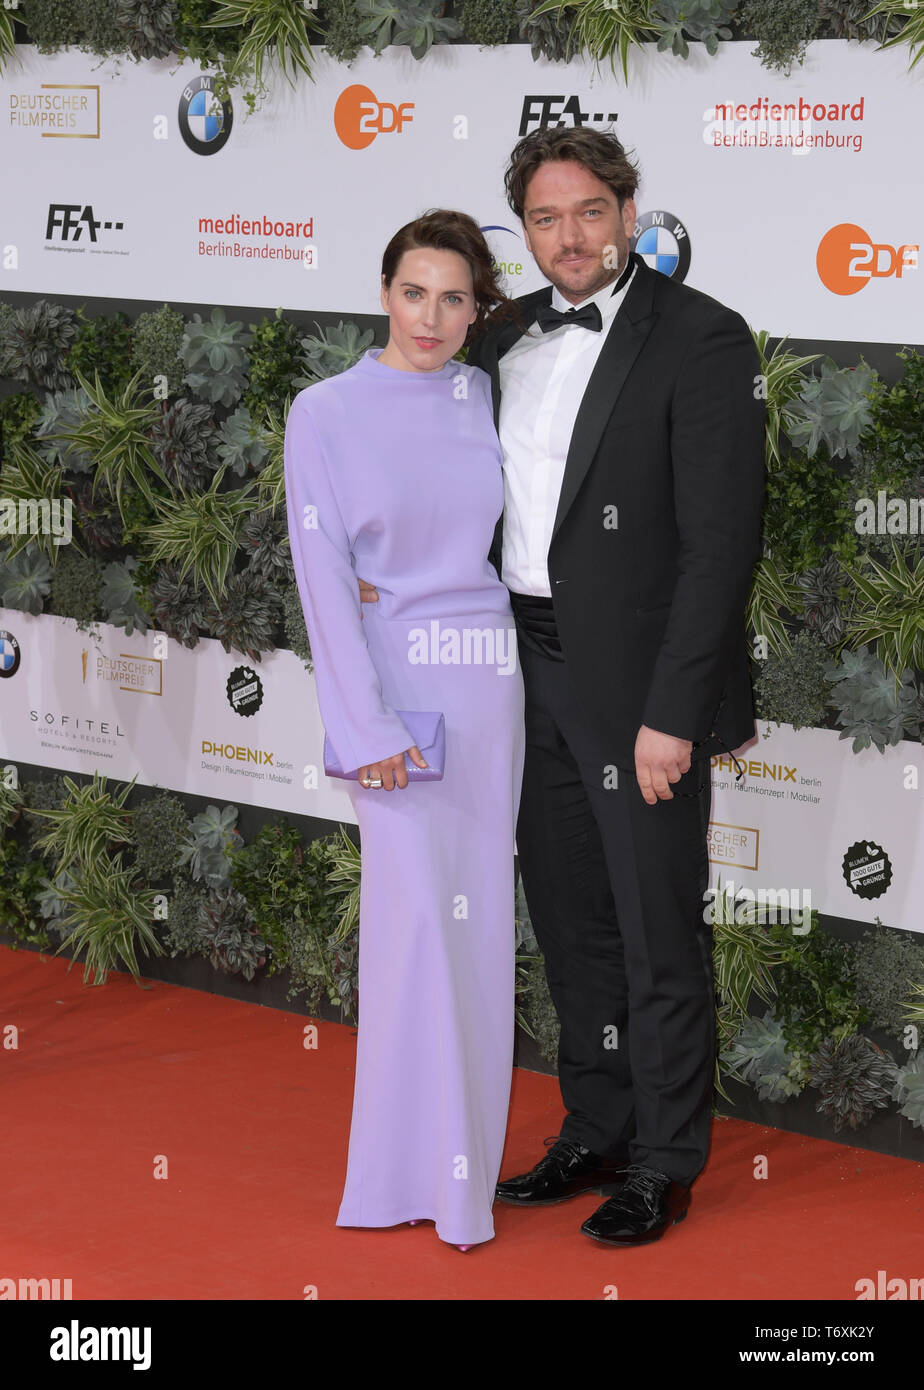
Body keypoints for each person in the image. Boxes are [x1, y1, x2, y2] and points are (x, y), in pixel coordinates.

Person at [360, 126, 766, 1246]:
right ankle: (597, 1123)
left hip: (638, 690)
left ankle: (669, 1161)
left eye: (590, 211)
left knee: (654, 925)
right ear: (523, 232)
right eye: (546, 218)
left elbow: (720, 546)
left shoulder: (701, 337)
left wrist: (671, 713)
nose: (570, 237)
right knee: (570, 918)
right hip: (515, 672)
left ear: (629, 212)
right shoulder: (499, 335)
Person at [283, 211, 526, 1251]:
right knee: (410, 930)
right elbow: (324, 576)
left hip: (491, 691)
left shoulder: (486, 396)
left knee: (474, 936)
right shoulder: (325, 412)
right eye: (415, 291)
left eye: (456, 297)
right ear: (384, 291)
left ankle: (462, 1179)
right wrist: (363, 720)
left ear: (479, 309)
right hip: (395, 694)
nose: (433, 317)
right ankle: (395, 1174)